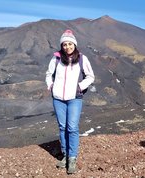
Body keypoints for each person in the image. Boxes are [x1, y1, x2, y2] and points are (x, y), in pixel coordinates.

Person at [45, 29, 95, 174]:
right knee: (62, 127)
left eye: (70, 44)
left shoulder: (82, 59)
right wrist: (51, 85)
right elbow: (49, 74)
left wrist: (80, 86)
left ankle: (72, 157)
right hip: (58, 98)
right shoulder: (56, 59)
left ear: (74, 44)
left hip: (74, 98)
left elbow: (90, 76)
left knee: (72, 127)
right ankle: (65, 155)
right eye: (65, 44)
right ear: (62, 45)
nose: (67, 47)